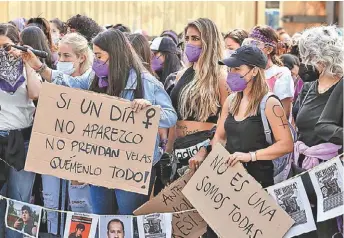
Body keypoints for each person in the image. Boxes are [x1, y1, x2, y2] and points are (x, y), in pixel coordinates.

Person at [189, 45, 293, 237]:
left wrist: (250, 156)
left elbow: (286, 144)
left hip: (257, 185)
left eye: (237, 69)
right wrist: (212, 155)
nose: (231, 74)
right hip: (228, 182)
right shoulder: (230, 101)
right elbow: (220, 136)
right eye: (230, 69)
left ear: (254, 71)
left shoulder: (269, 103)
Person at [88, 29, 177, 215]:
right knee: (101, 220)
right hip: (99, 162)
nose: (95, 61)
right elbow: (68, 85)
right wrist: (39, 67)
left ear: (115, 54)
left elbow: (170, 116)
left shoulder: (146, 82)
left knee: (128, 222)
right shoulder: (95, 79)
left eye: (98, 56)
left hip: (130, 166)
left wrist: (150, 111)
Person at [19, 32, 95, 236]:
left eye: (67, 56)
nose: (61, 60)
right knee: (52, 202)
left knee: (80, 206)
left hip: (80, 159)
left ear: (82, 57)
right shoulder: (52, 82)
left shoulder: (92, 80)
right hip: (53, 156)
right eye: (59, 56)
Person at [293, 25, 343, 238]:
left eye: (310, 55)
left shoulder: (341, 84)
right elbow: (298, 122)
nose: (306, 61)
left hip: (332, 170)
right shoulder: (308, 86)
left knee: (327, 231)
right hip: (302, 167)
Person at [166, 18, 229, 180]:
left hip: (204, 150)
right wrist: (168, 151)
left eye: (195, 38)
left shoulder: (221, 78)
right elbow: (174, 118)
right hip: (179, 151)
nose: (189, 43)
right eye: (187, 38)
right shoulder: (181, 75)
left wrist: (207, 150)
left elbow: (227, 120)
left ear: (209, 42)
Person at [0, 23, 42, 238]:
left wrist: (26, 62)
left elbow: (36, 94)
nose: (2, 52)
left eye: (6, 47)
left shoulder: (26, 67)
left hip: (22, 141)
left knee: (20, 202)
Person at [243, 25, 294, 119]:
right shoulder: (246, 71)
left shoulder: (281, 74)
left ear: (269, 49)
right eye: (248, 43)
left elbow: (283, 114)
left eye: (255, 44)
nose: (250, 48)